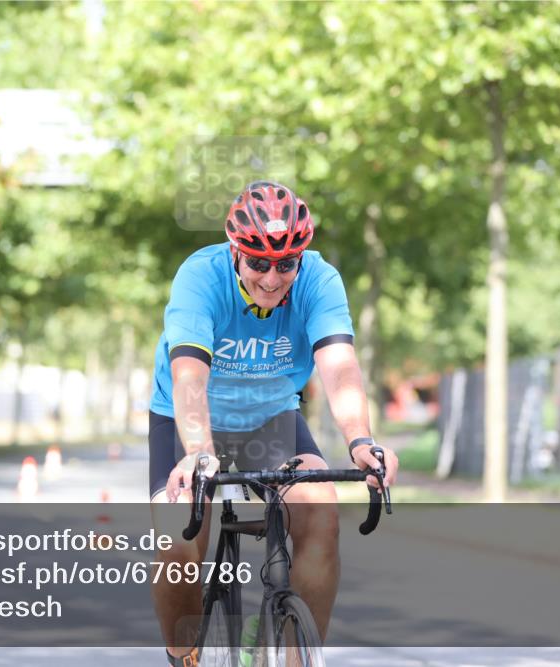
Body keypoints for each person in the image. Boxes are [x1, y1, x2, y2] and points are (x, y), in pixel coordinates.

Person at [148, 181, 399, 666]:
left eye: (286, 264)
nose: (271, 278)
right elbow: (189, 374)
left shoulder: (319, 280)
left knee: (320, 509)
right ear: (235, 251)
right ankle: (185, 657)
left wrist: (360, 441)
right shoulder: (200, 277)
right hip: (189, 423)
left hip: (270, 419)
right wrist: (199, 449)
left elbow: (340, 367)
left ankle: (294, 658)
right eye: (258, 263)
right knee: (178, 542)